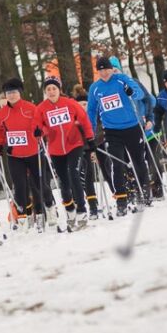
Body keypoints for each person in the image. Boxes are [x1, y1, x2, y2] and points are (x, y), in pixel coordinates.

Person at [86, 57, 151, 216]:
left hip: (132, 127)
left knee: (138, 160)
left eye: (106, 69)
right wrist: (91, 133)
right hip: (112, 131)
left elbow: (139, 93)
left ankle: (145, 192)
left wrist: (131, 92)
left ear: (111, 69)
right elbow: (91, 111)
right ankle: (121, 200)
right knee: (116, 163)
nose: (104, 73)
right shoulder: (95, 88)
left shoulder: (122, 79)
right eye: (100, 70)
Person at [0, 78, 58, 232]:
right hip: (15, 155)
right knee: (20, 187)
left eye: (14, 92)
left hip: (34, 152)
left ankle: (49, 208)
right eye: (8, 93)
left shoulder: (30, 108)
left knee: (40, 184)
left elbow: (43, 126)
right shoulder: (1, 113)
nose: (12, 96)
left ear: (19, 93)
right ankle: (23, 218)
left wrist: (40, 132)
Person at [36, 76, 95, 231]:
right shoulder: (41, 108)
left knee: (74, 175)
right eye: (48, 89)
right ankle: (70, 212)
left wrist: (90, 138)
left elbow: (84, 120)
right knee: (63, 182)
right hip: (55, 150)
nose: (51, 91)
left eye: (54, 88)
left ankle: (82, 212)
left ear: (59, 89)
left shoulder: (70, 103)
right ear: (45, 91)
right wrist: (41, 130)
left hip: (74, 144)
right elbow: (38, 127)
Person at [72, 85, 102, 219]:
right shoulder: (73, 118)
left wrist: (94, 147)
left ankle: (93, 206)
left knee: (90, 177)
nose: (82, 107)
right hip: (77, 151)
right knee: (78, 177)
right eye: (80, 105)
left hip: (90, 149)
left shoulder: (92, 115)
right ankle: (83, 204)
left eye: (85, 104)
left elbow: (98, 132)